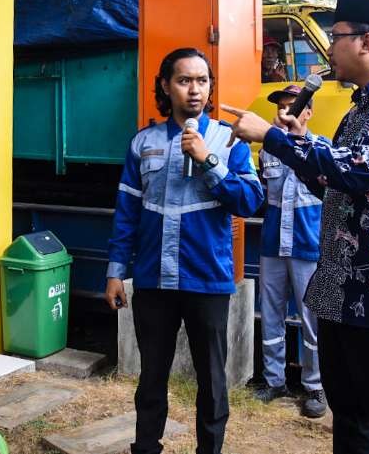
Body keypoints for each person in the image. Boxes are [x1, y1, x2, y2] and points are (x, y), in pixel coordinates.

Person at [223, 0, 369, 454]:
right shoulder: (358, 109)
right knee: (350, 420)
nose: (329, 48)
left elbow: (360, 167)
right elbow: (335, 183)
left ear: (365, 42)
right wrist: (295, 140)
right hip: (338, 289)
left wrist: (271, 137)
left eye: (336, 37)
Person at [104, 47, 264, 454]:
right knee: (152, 374)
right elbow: (127, 212)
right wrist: (114, 272)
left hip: (207, 278)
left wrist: (209, 160)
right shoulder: (144, 142)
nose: (195, 90)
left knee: (212, 378)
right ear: (165, 85)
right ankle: (146, 446)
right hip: (154, 278)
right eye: (184, 80)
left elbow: (249, 201)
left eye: (202, 81)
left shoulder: (229, 140)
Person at [253, 84, 327, 418]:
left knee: (312, 321)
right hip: (272, 246)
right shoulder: (267, 152)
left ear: (307, 112)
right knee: (271, 315)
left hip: (308, 247)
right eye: (281, 107)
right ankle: (274, 380)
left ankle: (315, 386)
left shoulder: (322, 150)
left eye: (292, 107)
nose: (284, 114)